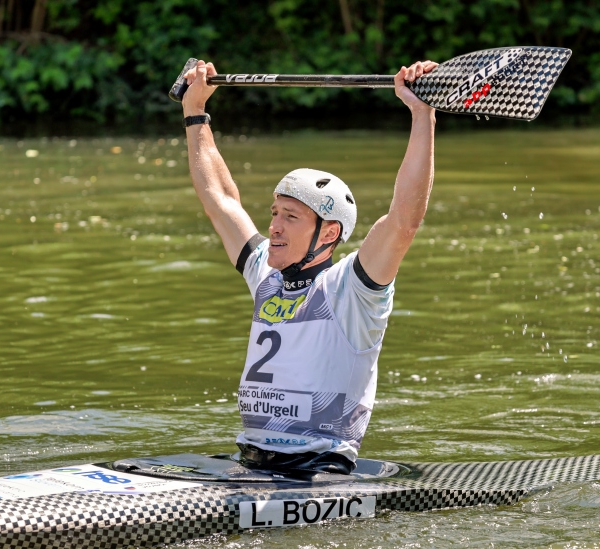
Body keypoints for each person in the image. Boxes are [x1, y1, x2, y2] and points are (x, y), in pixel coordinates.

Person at [181, 58, 437, 474]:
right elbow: (221, 201)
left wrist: (421, 114)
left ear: (329, 234)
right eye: (275, 212)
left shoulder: (352, 290)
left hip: (317, 469)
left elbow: (404, 221)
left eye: (291, 217)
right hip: (250, 462)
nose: (273, 227)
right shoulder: (266, 272)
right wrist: (195, 113)